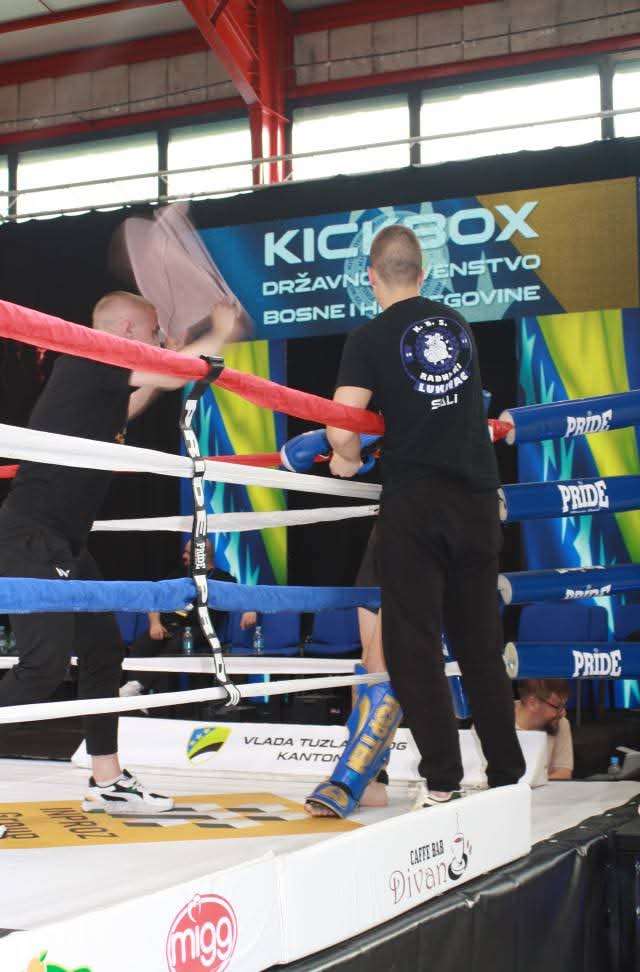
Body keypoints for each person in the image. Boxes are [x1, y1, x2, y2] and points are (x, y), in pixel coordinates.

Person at [0, 290, 239, 813]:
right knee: (42, 666)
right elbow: (173, 375)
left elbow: (135, 398)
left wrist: (169, 355)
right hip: (33, 536)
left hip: (65, 540)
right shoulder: (91, 352)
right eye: (152, 333)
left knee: (104, 651)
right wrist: (219, 330)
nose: (157, 341)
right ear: (127, 330)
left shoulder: (96, 374)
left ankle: (106, 779)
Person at [323, 224, 525, 810]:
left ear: (370, 277)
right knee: (480, 644)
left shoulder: (369, 336)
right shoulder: (456, 325)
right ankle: (507, 777)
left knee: (413, 646)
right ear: (424, 272)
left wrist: (346, 457)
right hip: (477, 499)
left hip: (416, 501)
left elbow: (341, 424)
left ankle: (442, 781)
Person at [121, 537, 256, 697]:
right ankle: (135, 692)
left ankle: (137, 687)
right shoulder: (179, 574)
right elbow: (155, 598)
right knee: (141, 646)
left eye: (188, 553)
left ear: (201, 556)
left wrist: (250, 610)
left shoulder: (223, 579)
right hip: (168, 625)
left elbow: (244, 596)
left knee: (172, 649)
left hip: (200, 629)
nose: (183, 556)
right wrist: (155, 623)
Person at [515, 679, 573, 780]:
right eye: (558, 707)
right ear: (532, 703)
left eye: (564, 706)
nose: (563, 713)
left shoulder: (560, 723)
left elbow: (563, 772)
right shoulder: (495, 721)